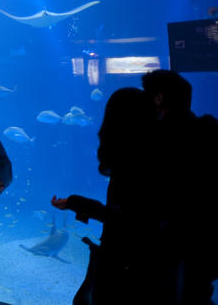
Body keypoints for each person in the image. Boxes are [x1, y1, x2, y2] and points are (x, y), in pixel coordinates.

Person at [51, 87, 173, 304]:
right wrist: (75, 202)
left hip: (125, 266)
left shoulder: (131, 165)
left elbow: (125, 219)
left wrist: (78, 203)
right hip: (156, 266)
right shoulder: (160, 155)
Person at [141, 69, 218, 304]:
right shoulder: (209, 130)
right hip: (206, 239)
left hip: (166, 240)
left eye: (147, 96)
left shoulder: (154, 139)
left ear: (158, 98)